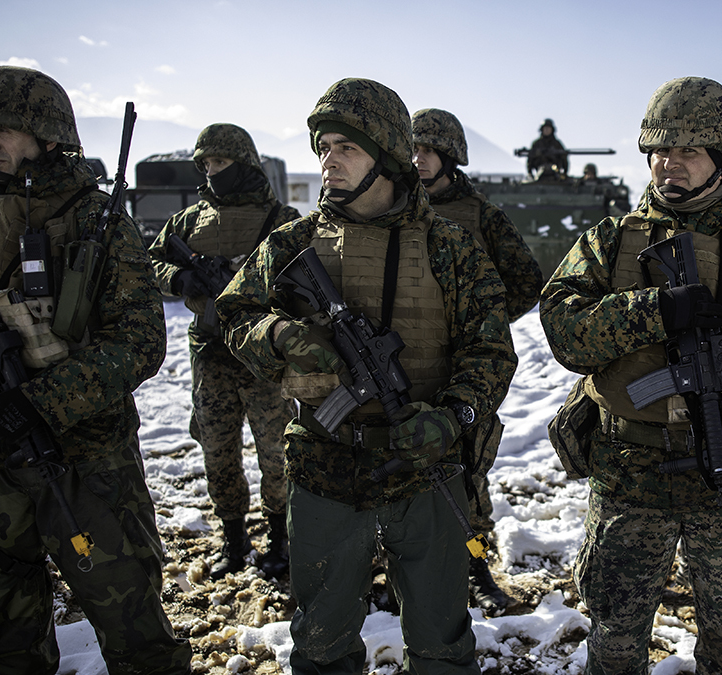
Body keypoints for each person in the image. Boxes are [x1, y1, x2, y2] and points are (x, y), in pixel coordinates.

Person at [539, 76, 722, 674]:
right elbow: (564, 333)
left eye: (689, 151)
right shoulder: (609, 242)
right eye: (660, 151)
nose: (669, 164)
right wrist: (653, 310)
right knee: (617, 638)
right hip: (631, 474)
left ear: (720, 161)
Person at [218, 77, 516, 674]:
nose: (329, 160)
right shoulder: (293, 243)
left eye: (345, 148)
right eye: (323, 147)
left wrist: (452, 414)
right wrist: (279, 335)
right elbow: (233, 314)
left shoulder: (448, 245)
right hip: (326, 463)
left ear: (383, 153)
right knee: (322, 642)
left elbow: (492, 351)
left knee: (440, 641)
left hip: (425, 470)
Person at [0, 65, 190, 674]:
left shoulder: (95, 218)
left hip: (86, 460)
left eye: (2, 127)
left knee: (136, 632)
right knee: (6, 638)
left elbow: (140, 341)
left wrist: (43, 402)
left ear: (46, 133)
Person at [148, 123, 300, 580]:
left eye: (220, 162)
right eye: (206, 164)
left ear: (244, 162)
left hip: (263, 357)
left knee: (277, 453)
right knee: (218, 451)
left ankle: (281, 539)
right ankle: (234, 541)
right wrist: (180, 279)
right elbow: (149, 261)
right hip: (210, 353)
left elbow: (305, 278)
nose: (212, 171)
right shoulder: (190, 221)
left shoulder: (279, 218)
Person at [412, 107, 543, 611]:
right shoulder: (387, 209)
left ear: (449, 156)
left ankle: (476, 566)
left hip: (465, 370)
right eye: (412, 151)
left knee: (467, 478)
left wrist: (481, 321)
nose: (418, 160)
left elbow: (526, 280)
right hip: (399, 365)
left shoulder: (482, 215)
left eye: (427, 151)